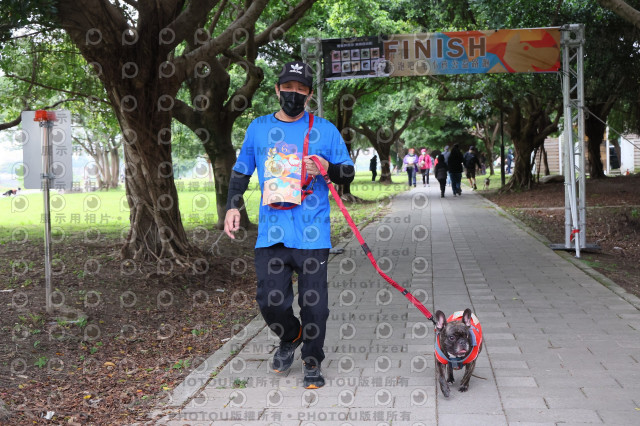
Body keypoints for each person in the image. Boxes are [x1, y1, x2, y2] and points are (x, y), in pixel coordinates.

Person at [224, 61, 355, 389]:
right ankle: (291, 336)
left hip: (313, 233)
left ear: (309, 95)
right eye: (288, 88)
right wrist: (232, 206)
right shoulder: (259, 128)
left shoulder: (325, 130)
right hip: (272, 233)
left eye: (301, 89)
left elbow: (348, 172)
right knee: (270, 301)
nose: (294, 94)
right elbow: (241, 171)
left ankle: (312, 359)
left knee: (315, 306)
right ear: (277, 90)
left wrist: (326, 166)